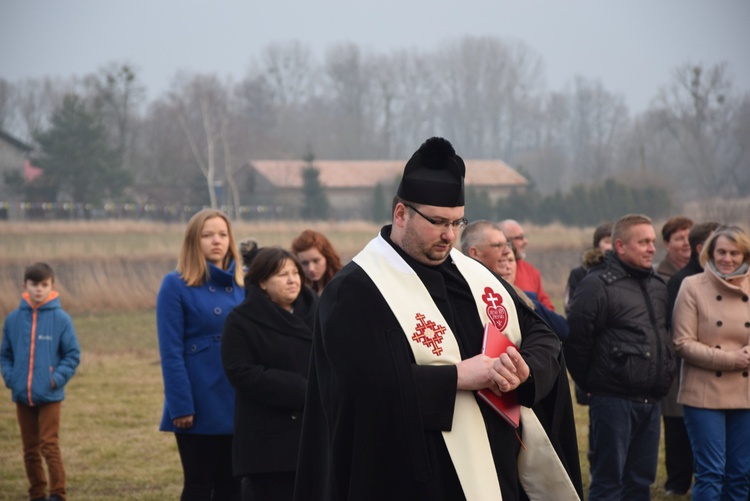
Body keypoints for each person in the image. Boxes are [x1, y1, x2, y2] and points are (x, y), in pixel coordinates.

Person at [295, 137, 582, 500]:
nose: (449, 235)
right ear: (401, 214)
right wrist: (457, 377)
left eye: (457, 223)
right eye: (437, 222)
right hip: (420, 478)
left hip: (503, 471)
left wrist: (524, 370)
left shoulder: (474, 275)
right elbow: (357, 390)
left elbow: (542, 334)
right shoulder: (356, 289)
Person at [565, 213, 675, 501]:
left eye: (652, 241)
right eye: (643, 242)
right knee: (608, 482)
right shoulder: (597, 285)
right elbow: (576, 341)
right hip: (612, 401)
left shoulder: (656, 285)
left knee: (640, 482)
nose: (652, 248)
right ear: (620, 246)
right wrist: (592, 383)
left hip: (650, 401)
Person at [156, 208, 244, 500]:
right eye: (207, 235)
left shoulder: (244, 287)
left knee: (232, 486)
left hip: (237, 399)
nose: (216, 241)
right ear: (194, 241)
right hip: (198, 401)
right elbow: (170, 352)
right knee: (198, 484)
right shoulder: (176, 284)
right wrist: (180, 405)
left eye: (222, 234)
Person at [221, 247, 317, 501]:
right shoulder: (241, 320)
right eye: (282, 274)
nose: (292, 279)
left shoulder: (320, 312)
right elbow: (240, 372)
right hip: (268, 443)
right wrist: (300, 389)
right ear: (262, 281)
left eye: (295, 272)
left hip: (315, 435)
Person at [671, 225, 750, 501]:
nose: (727, 259)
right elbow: (682, 342)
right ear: (710, 254)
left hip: (745, 393)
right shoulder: (692, 286)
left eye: (734, 253)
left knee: (740, 473)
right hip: (704, 393)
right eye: (721, 252)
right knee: (711, 473)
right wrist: (731, 359)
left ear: (744, 255)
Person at [1, 262, 80, 501]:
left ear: (52, 286)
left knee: (49, 445)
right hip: (22, 395)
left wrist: (55, 380)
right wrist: (12, 378)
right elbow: (5, 355)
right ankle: (37, 493)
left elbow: (72, 355)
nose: (39, 290)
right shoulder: (13, 320)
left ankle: (57, 493)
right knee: (29, 450)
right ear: (25, 286)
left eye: (44, 285)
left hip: (50, 395)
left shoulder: (61, 319)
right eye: (34, 284)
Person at [662, 221, 720, 496]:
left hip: (730, 377)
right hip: (691, 369)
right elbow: (679, 333)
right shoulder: (683, 282)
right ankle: (678, 482)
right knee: (679, 430)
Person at [499, 219, 556, 310]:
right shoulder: (490, 268)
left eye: (510, 261)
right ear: (504, 240)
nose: (526, 241)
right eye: (520, 238)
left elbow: (548, 308)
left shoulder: (532, 272)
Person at [564, 222, 613, 314]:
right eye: (607, 242)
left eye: (613, 242)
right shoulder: (579, 273)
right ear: (597, 245)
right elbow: (570, 306)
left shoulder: (626, 272)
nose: (610, 247)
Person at [290, 229, 343, 296]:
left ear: (327, 257)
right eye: (304, 263)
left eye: (316, 261)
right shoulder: (297, 290)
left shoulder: (343, 284)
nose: (311, 268)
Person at [657, 216, 694, 281]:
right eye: (680, 239)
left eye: (690, 237)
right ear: (667, 244)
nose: (687, 243)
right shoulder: (657, 277)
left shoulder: (705, 273)